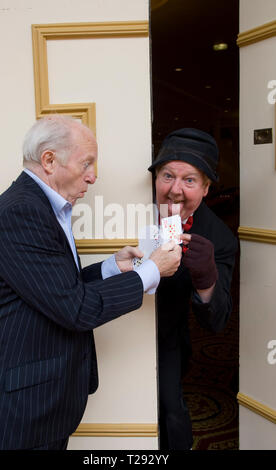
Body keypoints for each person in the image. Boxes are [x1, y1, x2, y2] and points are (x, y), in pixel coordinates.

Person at [0, 115, 182, 450]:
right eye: (86, 162)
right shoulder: (21, 214)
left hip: (37, 405)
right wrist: (152, 270)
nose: (93, 175)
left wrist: (112, 268)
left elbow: (53, 289)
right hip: (21, 414)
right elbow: (76, 309)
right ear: (49, 160)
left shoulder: (36, 205)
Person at [148, 128, 238, 450]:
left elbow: (217, 322)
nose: (174, 190)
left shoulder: (220, 238)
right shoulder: (125, 210)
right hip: (114, 328)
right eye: (167, 175)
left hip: (169, 334)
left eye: (189, 180)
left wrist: (207, 280)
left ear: (206, 187)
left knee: (171, 410)